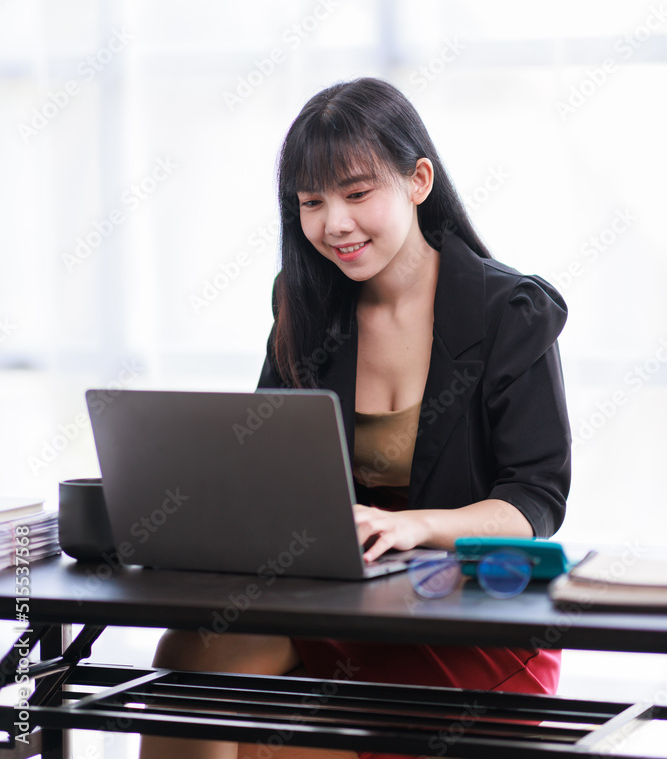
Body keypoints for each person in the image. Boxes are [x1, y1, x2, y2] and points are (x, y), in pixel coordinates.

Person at [140, 77, 571, 759]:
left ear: (418, 180)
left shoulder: (506, 310)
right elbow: (263, 466)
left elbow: (536, 501)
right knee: (184, 661)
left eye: (356, 193)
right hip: (340, 605)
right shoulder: (306, 303)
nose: (332, 223)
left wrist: (414, 525)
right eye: (311, 202)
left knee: (275, 746)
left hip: (467, 618)